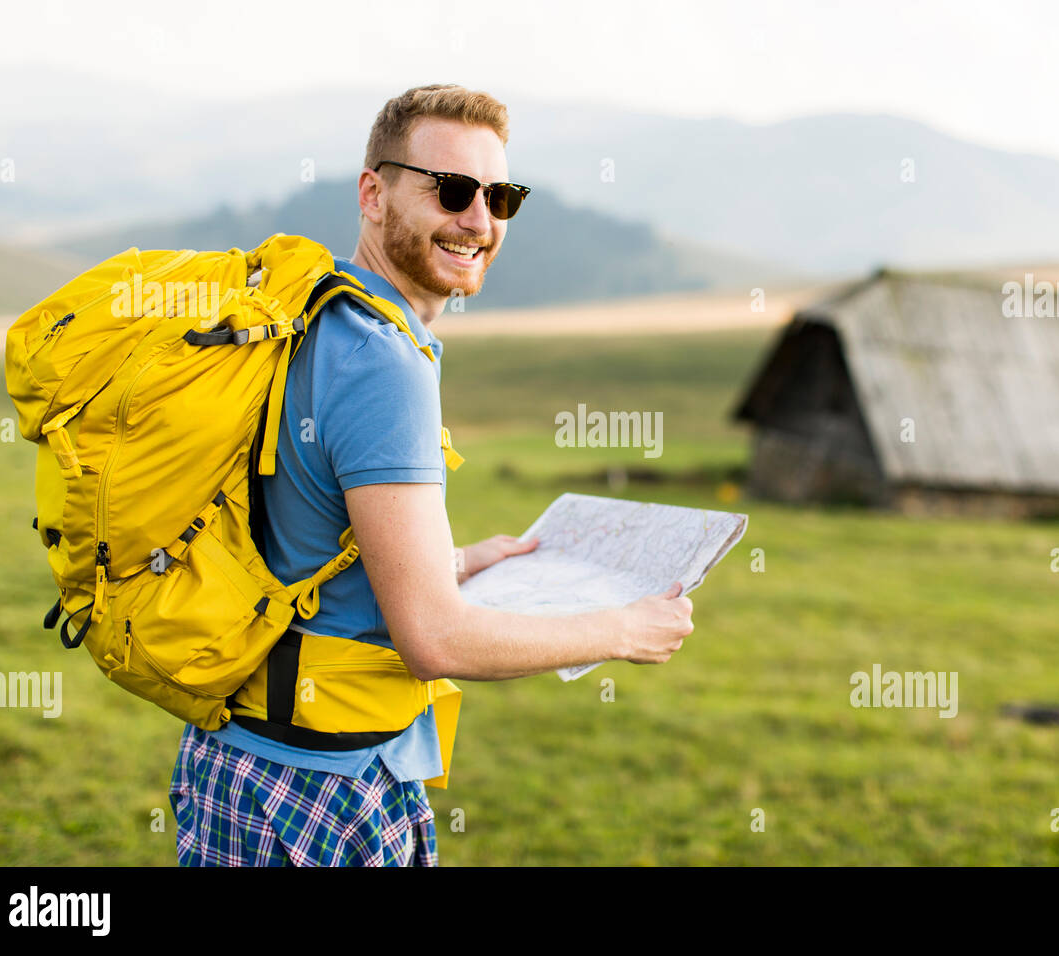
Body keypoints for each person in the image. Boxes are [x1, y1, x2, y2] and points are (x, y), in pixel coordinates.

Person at [168, 84, 695, 867]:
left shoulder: (314, 317)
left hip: (241, 759)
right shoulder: (382, 363)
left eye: (500, 196)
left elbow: (299, 538)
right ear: (373, 194)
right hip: (321, 789)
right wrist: (621, 629)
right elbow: (434, 640)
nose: (479, 220)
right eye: (451, 190)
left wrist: (447, 564)